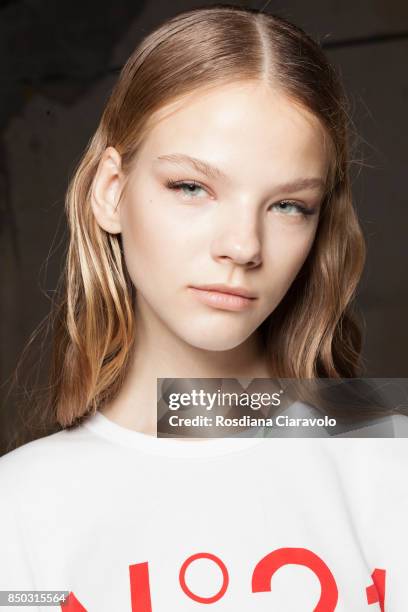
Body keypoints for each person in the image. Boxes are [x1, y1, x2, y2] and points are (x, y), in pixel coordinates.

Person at [0, 5, 406, 610]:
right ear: (112, 193)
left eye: (289, 205)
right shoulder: (20, 510)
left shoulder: (390, 466)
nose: (242, 246)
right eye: (192, 187)